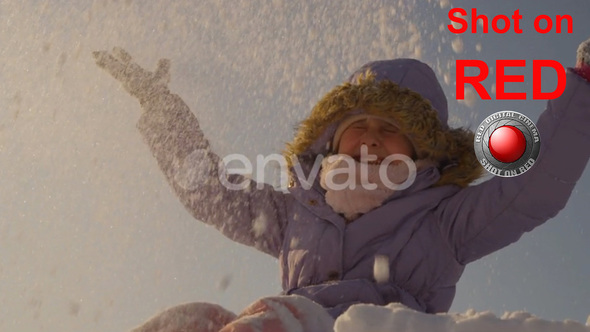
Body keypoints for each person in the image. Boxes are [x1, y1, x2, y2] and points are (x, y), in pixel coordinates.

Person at [93, 38, 590, 332]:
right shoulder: (297, 212)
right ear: (330, 140)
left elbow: (535, 185)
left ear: (422, 153)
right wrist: (160, 110)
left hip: (371, 329)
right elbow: (212, 191)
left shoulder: (444, 220)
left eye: (392, 129)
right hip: (286, 323)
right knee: (194, 319)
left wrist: (584, 87)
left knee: (276, 318)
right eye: (359, 125)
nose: (372, 138)